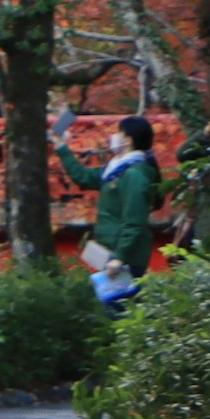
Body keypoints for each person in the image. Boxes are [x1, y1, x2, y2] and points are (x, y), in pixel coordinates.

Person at [59, 110, 164, 307]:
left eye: (120, 133)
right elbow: (82, 176)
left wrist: (119, 258)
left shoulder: (133, 175)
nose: (114, 137)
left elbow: (134, 222)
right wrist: (61, 147)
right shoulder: (117, 170)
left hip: (123, 258)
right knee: (111, 309)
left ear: (128, 140)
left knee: (120, 311)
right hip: (111, 252)